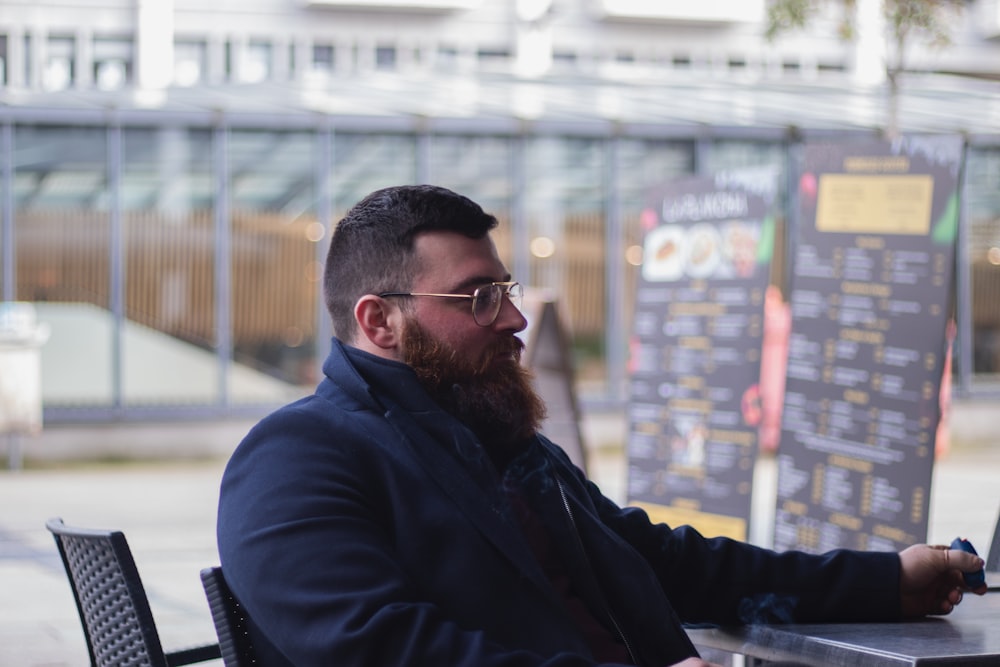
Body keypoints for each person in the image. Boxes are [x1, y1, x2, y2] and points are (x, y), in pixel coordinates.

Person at [217, 184, 987, 667]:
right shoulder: (294, 458)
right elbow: (382, 647)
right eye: (478, 297)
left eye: (506, 289)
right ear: (378, 320)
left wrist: (888, 580)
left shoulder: (505, 446)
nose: (515, 318)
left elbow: (669, 563)